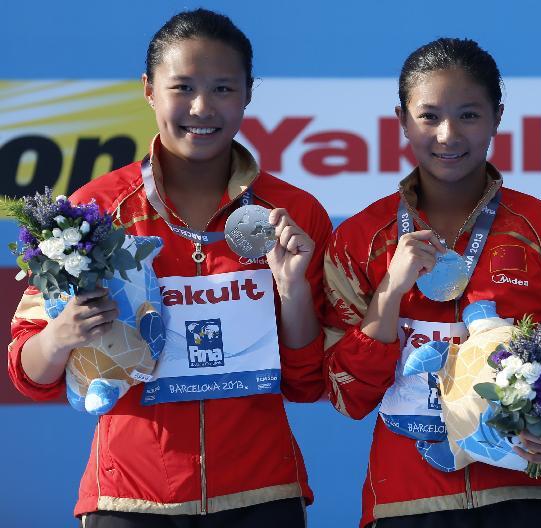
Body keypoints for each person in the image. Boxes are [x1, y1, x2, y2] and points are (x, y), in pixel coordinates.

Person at [8, 8, 331, 527]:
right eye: (182, 87)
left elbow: (308, 379)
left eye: (223, 88)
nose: (202, 108)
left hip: (262, 493)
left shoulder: (294, 215)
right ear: (148, 90)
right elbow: (29, 372)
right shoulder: (96, 211)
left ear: (249, 92)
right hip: (128, 498)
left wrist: (291, 292)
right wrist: (62, 334)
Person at [322, 37, 541, 528]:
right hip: (406, 501)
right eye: (429, 116)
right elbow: (347, 394)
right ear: (402, 120)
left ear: (497, 117)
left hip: (530, 494)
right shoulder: (361, 241)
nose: (448, 134)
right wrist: (390, 292)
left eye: (469, 116)